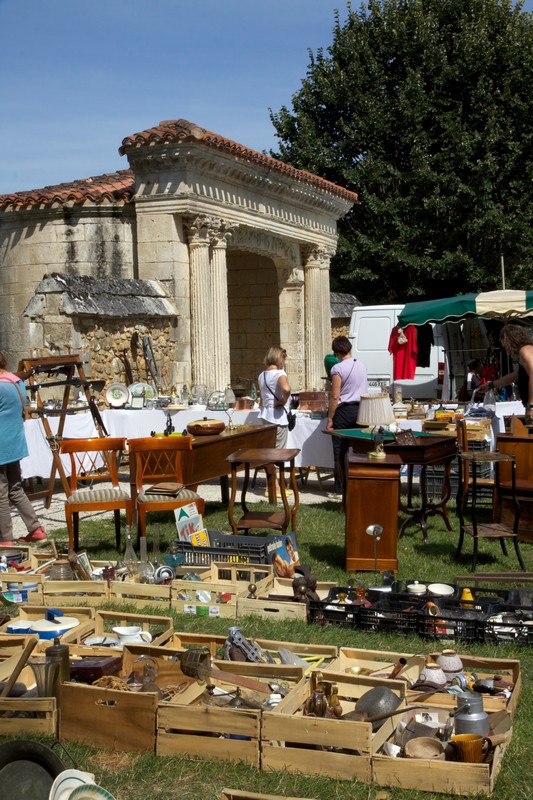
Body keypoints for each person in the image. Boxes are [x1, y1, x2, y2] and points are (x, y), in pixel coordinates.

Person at [0, 351, 46, 544]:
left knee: (1, 494)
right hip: (14, 442)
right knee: (15, 489)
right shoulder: (17, 382)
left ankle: (5, 539)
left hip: (2, 444)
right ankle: (36, 529)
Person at [325, 335, 368, 498]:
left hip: (344, 411)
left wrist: (330, 418)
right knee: (359, 449)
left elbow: (335, 396)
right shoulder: (362, 365)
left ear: (336, 353)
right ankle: (360, 481)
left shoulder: (337, 368)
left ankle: (341, 487)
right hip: (362, 410)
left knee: (340, 450)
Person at [477, 325, 533, 421]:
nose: (506, 349)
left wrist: (531, 406)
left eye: (505, 345)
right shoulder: (527, 350)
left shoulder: (525, 351)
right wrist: (490, 385)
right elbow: (515, 376)